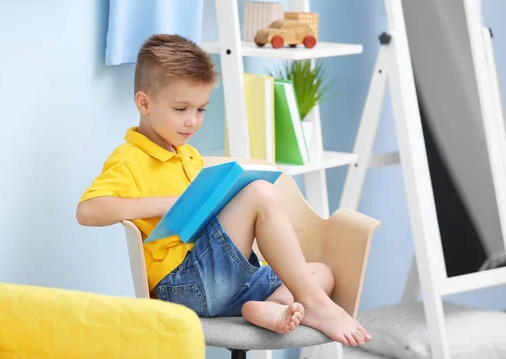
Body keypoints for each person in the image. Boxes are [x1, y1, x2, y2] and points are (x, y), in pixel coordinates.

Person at [76, 34, 371, 346]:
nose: (192, 121)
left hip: (226, 280)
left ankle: (270, 308)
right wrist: (168, 204)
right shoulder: (129, 159)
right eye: (181, 109)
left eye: (201, 109)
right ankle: (316, 306)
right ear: (145, 103)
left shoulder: (189, 155)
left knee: (322, 273)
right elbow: (88, 212)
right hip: (183, 286)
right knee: (260, 192)